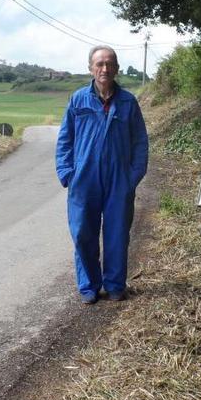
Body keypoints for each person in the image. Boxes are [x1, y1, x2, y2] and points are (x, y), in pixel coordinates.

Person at [55, 45, 149, 304]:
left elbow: (140, 142)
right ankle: (89, 285)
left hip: (119, 179)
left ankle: (115, 284)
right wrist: (67, 173)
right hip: (84, 179)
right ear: (90, 68)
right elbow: (65, 139)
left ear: (117, 68)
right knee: (83, 232)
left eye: (110, 64)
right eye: (99, 64)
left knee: (117, 233)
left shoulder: (128, 102)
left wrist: (133, 177)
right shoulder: (78, 100)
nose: (105, 68)